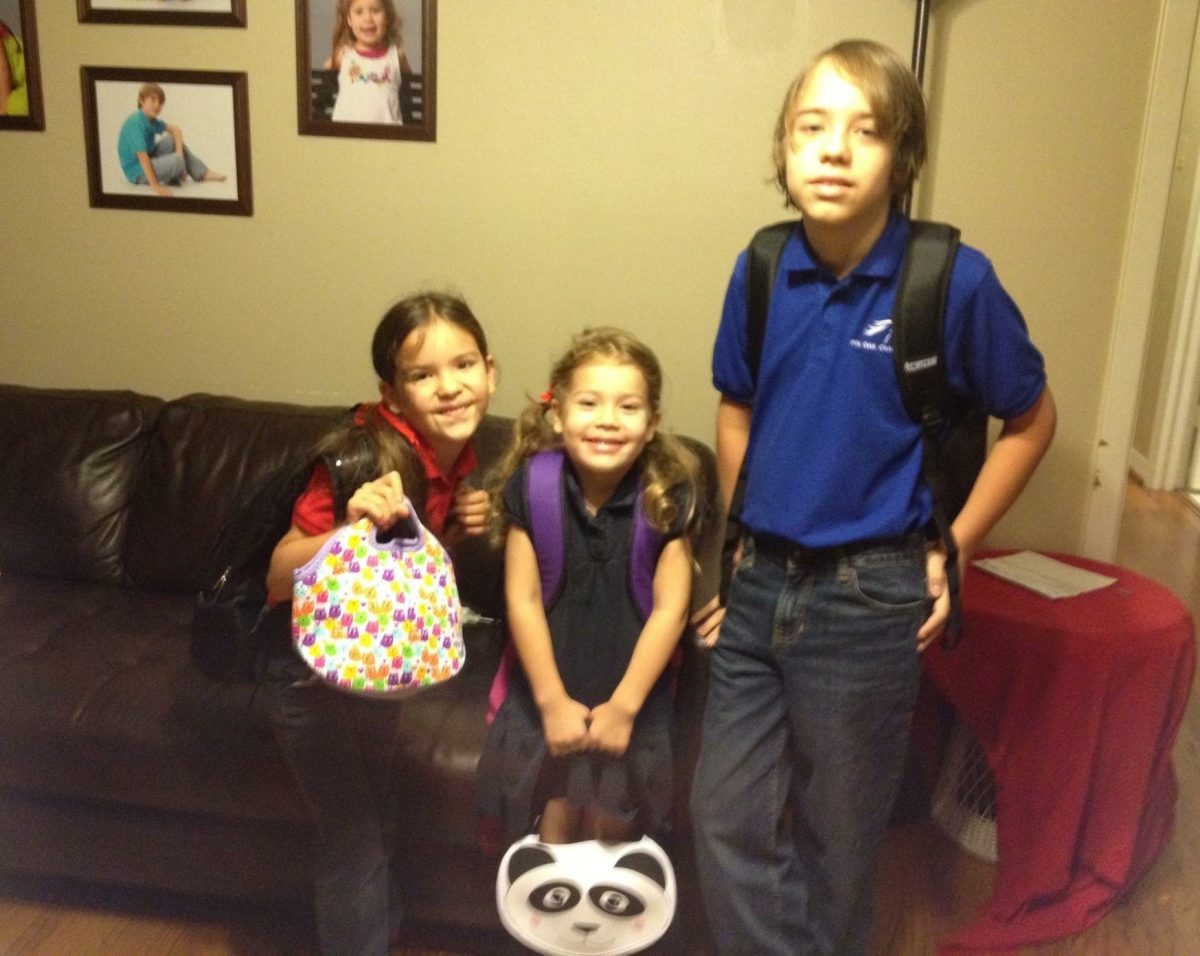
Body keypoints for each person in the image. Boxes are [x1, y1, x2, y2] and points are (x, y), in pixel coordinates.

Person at [689, 38, 1057, 956]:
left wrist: (957, 545)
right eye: (810, 127)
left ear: (904, 157)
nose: (833, 149)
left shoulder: (950, 282)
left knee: (840, 843)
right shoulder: (763, 267)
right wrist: (737, 532)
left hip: (870, 597)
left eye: (865, 130)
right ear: (783, 149)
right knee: (724, 817)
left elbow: (1032, 419)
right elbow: (736, 407)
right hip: (759, 583)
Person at [263, 291, 496, 956]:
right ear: (392, 396)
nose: (450, 388)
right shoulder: (366, 458)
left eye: (465, 365)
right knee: (354, 832)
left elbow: (404, 573)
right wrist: (351, 528)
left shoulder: (458, 454)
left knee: (381, 814)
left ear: (491, 371)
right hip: (308, 673)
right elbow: (280, 575)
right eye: (423, 376)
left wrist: (450, 530)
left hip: (377, 665)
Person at [478, 327, 697, 847]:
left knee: (611, 837)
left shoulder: (668, 495)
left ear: (651, 424)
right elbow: (522, 598)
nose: (606, 420)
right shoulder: (532, 488)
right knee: (554, 835)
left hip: (633, 705)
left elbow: (671, 610)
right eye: (590, 403)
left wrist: (624, 707)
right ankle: (541, 932)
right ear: (558, 414)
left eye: (628, 407)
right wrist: (552, 702)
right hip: (550, 700)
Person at [116, 83, 226, 197]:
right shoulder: (135, 124)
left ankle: (203, 173)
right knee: (177, 162)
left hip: (149, 158)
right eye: (153, 100)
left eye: (160, 102)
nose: (157, 105)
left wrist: (179, 154)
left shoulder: (151, 120)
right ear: (142, 100)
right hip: (137, 171)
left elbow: (176, 130)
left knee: (172, 141)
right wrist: (156, 186)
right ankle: (174, 174)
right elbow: (143, 158)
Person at [326, 0, 411, 124]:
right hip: (345, 136)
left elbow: (409, 82)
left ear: (387, 17)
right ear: (349, 20)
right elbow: (325, 75)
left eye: (375, 11)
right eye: (359, 12)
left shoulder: (396, 56)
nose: (368, 18)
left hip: (388, 137)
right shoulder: (344, 55)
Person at [0, 18, 28, 117]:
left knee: (13, 106)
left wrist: (3, 112)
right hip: (15, 85)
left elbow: (3, 69)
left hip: (29, 82)